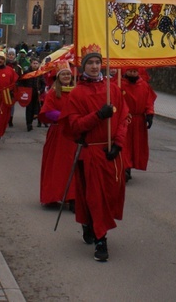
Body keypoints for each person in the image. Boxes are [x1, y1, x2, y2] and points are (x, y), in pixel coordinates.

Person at [59, 44, 130, 262]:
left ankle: (89, 222)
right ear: (83, 66)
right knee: (96, 197)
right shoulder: (77, 93)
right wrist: (98, 115)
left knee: (109, 196)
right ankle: (101, 240)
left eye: (97, 62)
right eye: (90, 63)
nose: (94, 66)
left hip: (111, 152)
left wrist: (118, 143)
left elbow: (124, 118)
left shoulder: (113, 89)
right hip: (91, 153)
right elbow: (75, 126)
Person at [38, 61, 77, 208]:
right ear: (58, 77)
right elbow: (48, 111)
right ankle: (53, 196)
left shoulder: (77, 91)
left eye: (68, 74)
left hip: (74, 133)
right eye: (64, 74)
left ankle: (72, 197)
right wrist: (66, 116)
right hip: (59, 133)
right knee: (57, 166)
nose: (66, 76)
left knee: (73, 166)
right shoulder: (53, 93)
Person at [120, 67, 157, 181]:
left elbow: (148, 101)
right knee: (124, 144)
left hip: (138, 121)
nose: (132, 73)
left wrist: (149, 114)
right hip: (124, 119)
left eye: (134, 71)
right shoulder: (119, 84)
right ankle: (124, 168)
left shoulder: (144, 85)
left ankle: (129, 167)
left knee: (135, 146)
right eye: (130, 71)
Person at [23, 57, 45, 131]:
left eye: (36, 63)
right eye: (34, 63)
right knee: (28, 109)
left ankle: (33, 120)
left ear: (39, 64)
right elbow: (22, 82)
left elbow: (43, 84)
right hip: (28, 93)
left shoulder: (40, 73)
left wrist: (41, 91)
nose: (35, 65)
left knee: (35, 109)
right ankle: (28, 123)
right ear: (31, 64)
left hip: (36, 94)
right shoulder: (27, 72)